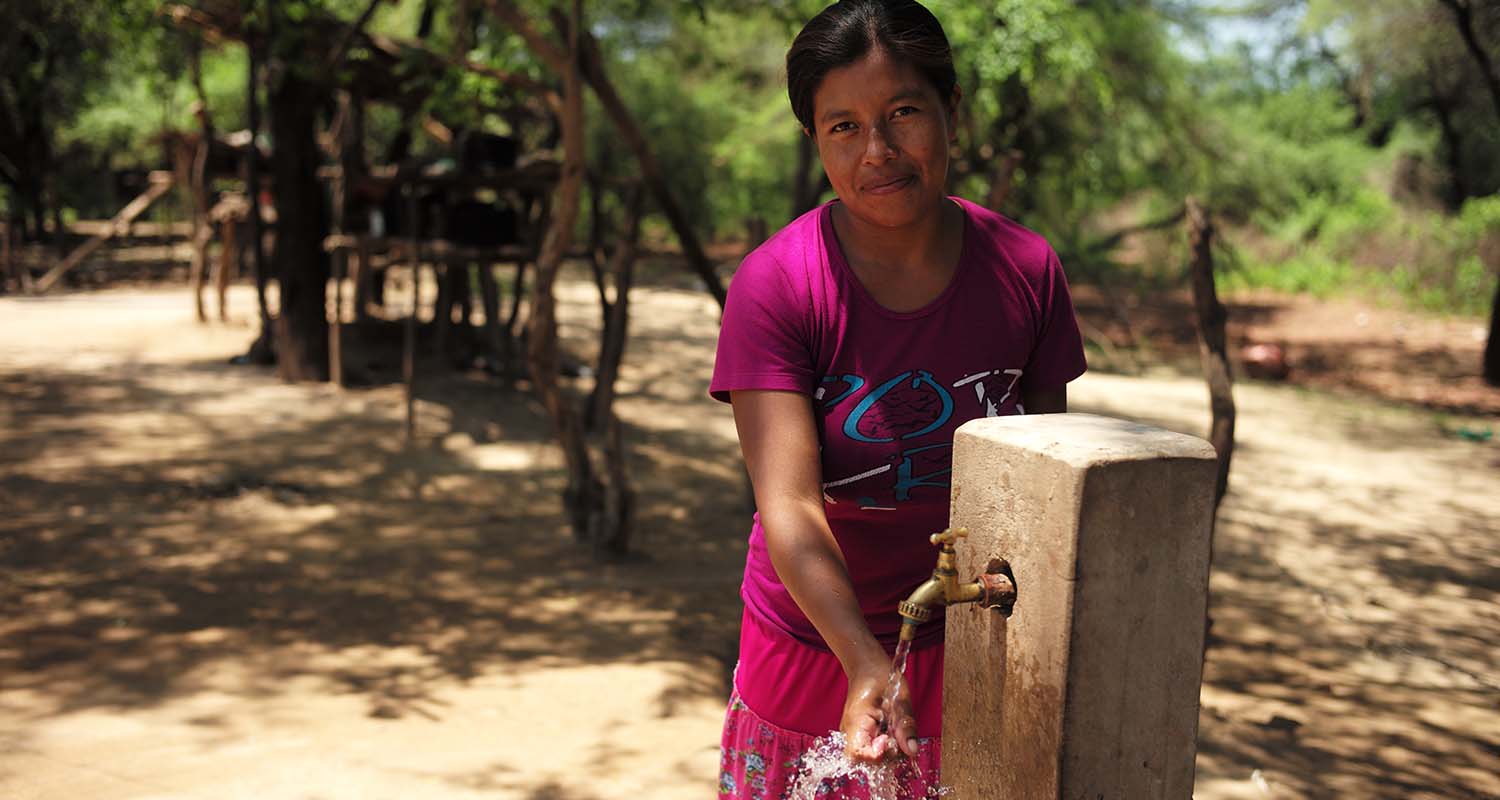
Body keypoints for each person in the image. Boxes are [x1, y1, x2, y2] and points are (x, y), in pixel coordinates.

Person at [711, 1, 1088, 796]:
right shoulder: (778, 286)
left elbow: (1048, 485)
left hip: (979, 639)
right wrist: (863, 661)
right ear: (813, 141)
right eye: (842, 127)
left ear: (952, 111)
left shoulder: (1024, 270)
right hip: (815, 642)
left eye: (903, 113)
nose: (877, 151)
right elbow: (789, 507)